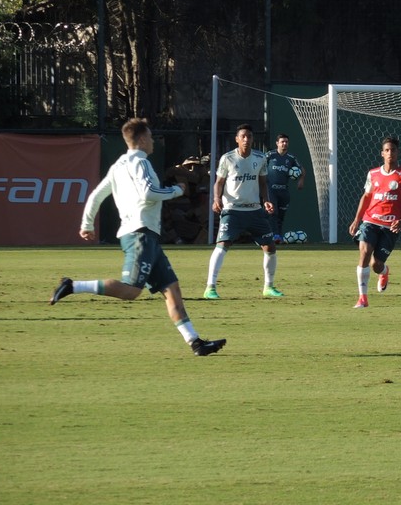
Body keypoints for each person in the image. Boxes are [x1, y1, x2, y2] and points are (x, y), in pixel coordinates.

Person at [48, 118, 226, 356]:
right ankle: (73, 285)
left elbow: (96, 196)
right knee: (131, 291)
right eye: (150, 137)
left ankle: (196, 342)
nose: (152, 141)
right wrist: (176, 191)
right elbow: (149, 192)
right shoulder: (140, 162)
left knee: (171, 289)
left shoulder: (118, 165)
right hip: (139, 234)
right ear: (141, 139)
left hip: (146, 235)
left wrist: (86, 223)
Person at [204, 124, 284, 299]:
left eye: (249, 136)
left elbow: (262, 183)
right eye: (243, 136)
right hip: (232, 211)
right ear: (237, 139)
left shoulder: (260, 158)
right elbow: (218, 183)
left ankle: (268, 287)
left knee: (270, 247)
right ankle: (210, 287)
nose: (246, 139)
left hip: (254, 210)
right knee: (222, 245)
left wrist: (266, 200)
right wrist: (217, 199)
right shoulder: (228, 158)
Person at [348, 136, 401, 308]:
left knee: (376, 264)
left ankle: (384, 271)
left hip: (390, 227)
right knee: (365, 252)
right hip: (370, 221)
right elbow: (366, 197)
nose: (390, 153)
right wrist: (356, 220)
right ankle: (362, 298)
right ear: (382, 153)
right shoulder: (373, 174)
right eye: (387, 150)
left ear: (398, 153)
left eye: (393, 150)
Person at [265, 133, 306, 243]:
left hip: (283, 190)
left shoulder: (291, 158)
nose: (284, 144)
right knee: (273, 212)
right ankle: (274, 236)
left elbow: (302, 170)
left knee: (281, 215)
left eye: (286, 142)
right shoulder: (270, 155)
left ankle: (278, 236)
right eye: (282, 142)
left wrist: (301, 180)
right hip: (270, 189)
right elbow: (260, 166)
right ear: (277, 143)